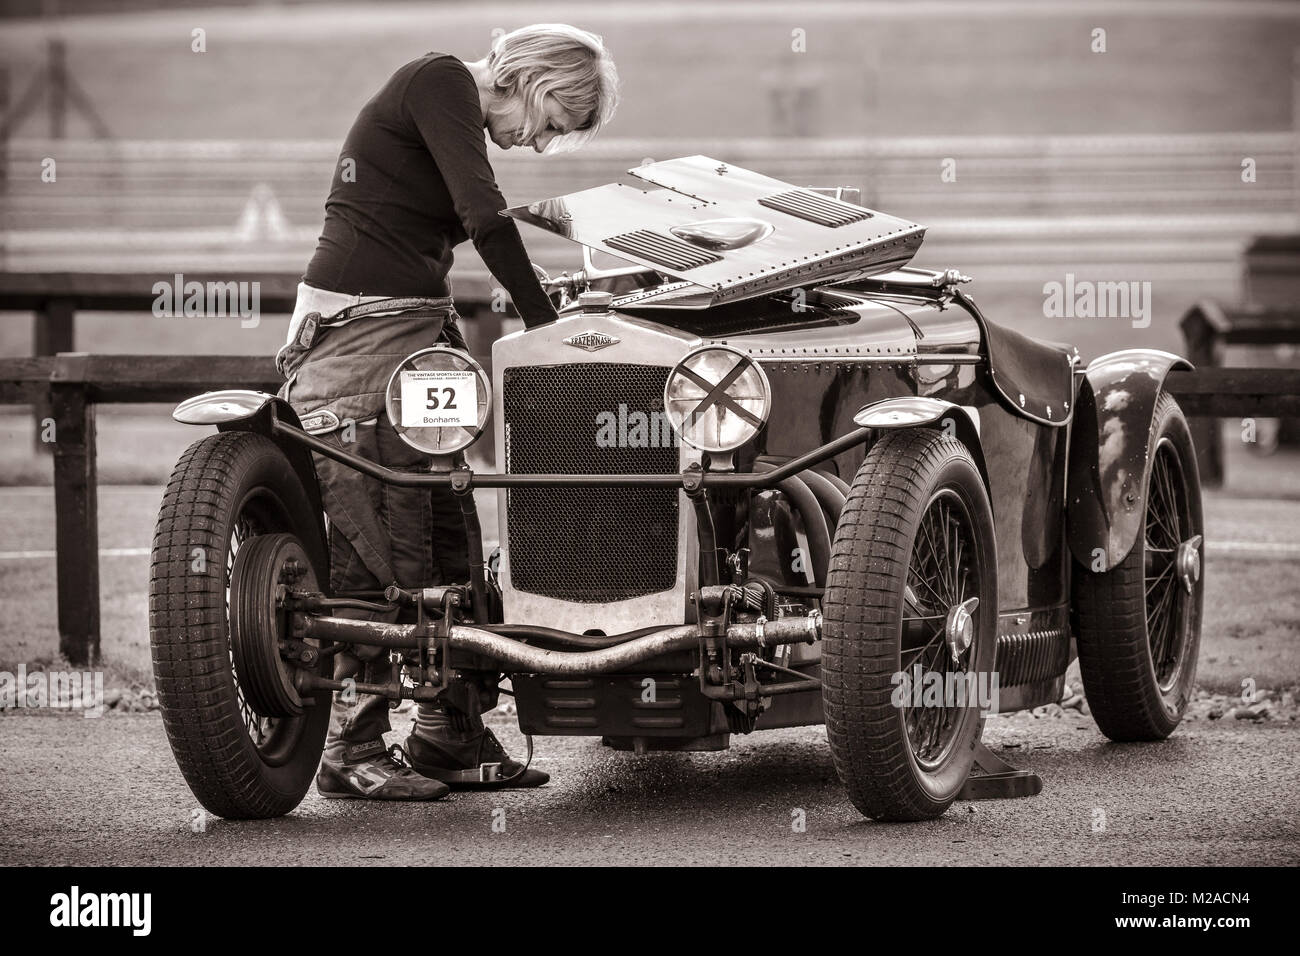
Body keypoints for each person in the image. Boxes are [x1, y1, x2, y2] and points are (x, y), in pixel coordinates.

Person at [275, 24, 619, 800]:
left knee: (446, 532)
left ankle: (450, 736)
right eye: (552, 123)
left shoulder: (448, 103)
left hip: (414, 332)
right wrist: (545, 327)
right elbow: (485, 218)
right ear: (533, 83)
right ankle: (349, 749)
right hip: (358, 341)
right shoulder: (440, 82)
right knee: (377, 540)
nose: (537, 144)